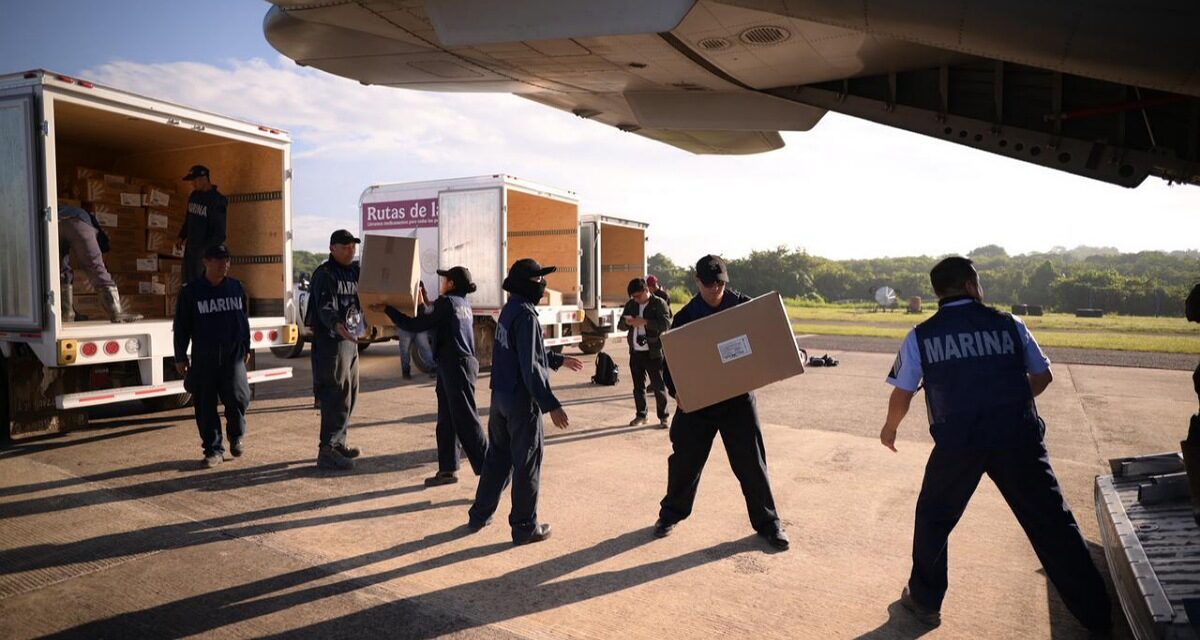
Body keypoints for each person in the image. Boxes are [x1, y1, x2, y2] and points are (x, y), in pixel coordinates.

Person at [879, 256, 1111, 632]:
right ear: (971, 286)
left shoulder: (921, 335)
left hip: (958, 443)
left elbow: (903, 393)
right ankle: (1098, 615)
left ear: (940, 291)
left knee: (934, 520)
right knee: (1053, 523)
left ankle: (924, 602)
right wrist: (1017, 402)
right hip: (1017, 437)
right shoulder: (1009, 324)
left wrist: (890, 429)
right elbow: (1043, 375)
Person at [655, 255, 790, 550]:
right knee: (685, 462)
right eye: (709, 283)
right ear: (697, 282)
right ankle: (670, 514)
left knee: (752, 464)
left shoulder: (745, 307)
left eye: (720, 282)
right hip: (699, 404)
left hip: (737, 401)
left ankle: (769, 523)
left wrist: (791, 354)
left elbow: (772, 336)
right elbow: (671, 363)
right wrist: (676, 391)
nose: (715, 288)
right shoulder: (686, 317)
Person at [468, 258, 584, 544]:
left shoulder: (510, 310)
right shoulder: (527, 316)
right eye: (538, 281)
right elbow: (531, 367)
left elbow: (527, 354)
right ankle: (524, 526)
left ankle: (479, 514)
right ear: (525, 284)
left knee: (497, 459)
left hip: (500, 399)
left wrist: (557, 359)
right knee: (527, 464)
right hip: (521, 402)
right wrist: (551, 404)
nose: (543, 286)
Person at [376, 266, 488, 487]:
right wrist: (424, 303)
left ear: (452, 284)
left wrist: (388, 309)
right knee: (447, 420)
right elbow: (433, 316)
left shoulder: (447, 303)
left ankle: (491, 471)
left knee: (466, 421)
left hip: (457, 366)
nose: (442, 283)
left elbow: (415, 324)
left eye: (445, 280)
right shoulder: (461, 303)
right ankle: (448, 470)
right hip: (455, 365)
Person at [172, 244, 251, 468]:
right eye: (218, 260)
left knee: (238, 398)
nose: (223, 264)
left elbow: (243, 321)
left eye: (226, 260)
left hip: (232, 353)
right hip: (204, 355)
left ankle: (236, 436)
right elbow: (182, 326)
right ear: (206, 262)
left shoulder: (236, 287)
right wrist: (180, 356)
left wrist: (246, 347)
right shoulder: (191, 291)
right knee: (205, 405)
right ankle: (213, 449)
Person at [308, 229, 366, 471]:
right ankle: (327, 449)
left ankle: (340, 442)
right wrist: (336, 324)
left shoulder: (355, 271)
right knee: (335, 394)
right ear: (332, 248)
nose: (350, 250)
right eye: (345, 246)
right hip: (331, 342)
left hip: (350, 341)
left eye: (353, 246)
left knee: (351, 392)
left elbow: (368, 295)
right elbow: (325, 307)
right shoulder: (325, 274)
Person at [58, 203, 141, 323]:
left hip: (54, 224)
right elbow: (103, 246)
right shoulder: (89, 219)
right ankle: (115, 312)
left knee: (62, 268)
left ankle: (67, 313)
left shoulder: (57, 206)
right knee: (95, 265)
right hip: (78, 224)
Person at [618, 277, 671, 428]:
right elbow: (620, 325)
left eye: (638, 296)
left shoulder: (659, 303)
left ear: (647, 290)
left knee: (658, 386)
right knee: (638, 387)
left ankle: (664, 417)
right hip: (635, 352)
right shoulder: (631, 305)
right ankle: (641, 415)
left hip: (653, 352)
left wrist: (646, 322)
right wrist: (627, 322)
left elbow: (666, 324)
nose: (636, 299)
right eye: (633, 297)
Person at [176, 165, 228, 283]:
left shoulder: (217, 200)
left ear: (204, 178)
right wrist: (182, 236)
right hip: (191, 250)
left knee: (203, 284)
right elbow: (189, 219)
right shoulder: (194, 196)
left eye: (195, 180)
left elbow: (220, 233)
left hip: (206, 253)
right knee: (188, 283)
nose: (192, 184)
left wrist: (206, 252)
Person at [397, 281, 437, 380]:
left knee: (424, 348)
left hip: (415, 327)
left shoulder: (419, 283)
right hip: (406, 326)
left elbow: (426, 307)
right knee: (405, 351)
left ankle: (432, 368)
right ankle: (406, 372)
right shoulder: (402, 287)